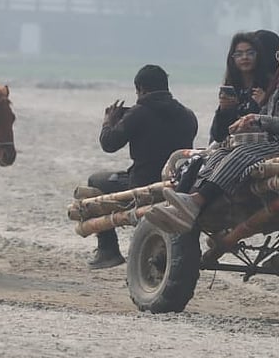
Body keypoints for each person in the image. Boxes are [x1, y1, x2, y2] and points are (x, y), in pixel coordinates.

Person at [151, 35, 279, 233]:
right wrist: (245, 124)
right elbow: (267, 117)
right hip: (274, 141)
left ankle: (196, 201)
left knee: (242, 154)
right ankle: (192, 197)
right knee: (223, 150)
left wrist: (257, 118)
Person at [85, 64, 198, 269]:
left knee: (95, 181)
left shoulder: (139, 113)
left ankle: (107, 250)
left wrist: (108, 122)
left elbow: (109, 144)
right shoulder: (188, 115)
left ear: (141, 89)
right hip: (177, 184)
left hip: (142, 184)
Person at [209, 31, 274, 144]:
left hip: (258, 146)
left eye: (250, 53)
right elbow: (218, 135)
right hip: (231, 145)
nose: (245, 58)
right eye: (239, 54)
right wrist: (224, 110)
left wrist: (265, 103)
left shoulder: (268, 84)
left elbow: (277, 123)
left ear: (258, 55)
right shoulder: (232, 89)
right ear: (232, 59)